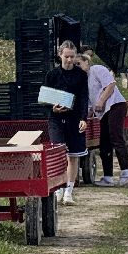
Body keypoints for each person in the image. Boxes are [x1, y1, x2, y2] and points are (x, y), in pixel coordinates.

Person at [43, 40, 89, 205]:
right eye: (66, 57)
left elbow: (84, 98)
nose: (69, 60)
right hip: (56, 119)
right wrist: (52, 109)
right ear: (60, 55)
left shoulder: (81, 75)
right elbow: (45, 98)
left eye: (72, 57)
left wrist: (84, 118)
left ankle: (69, 190)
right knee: (58, 153)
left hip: (75, 118)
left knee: (73, 155)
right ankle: (59, 188)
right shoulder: (52, 75)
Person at [82, 49, 128, 186]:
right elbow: (89, 102)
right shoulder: (83, 81)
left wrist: (100, 101)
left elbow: (110, 85)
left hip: (115, 105)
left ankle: (126, 171)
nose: (78, 67)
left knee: (115, 136)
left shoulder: (97, 69)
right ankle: (108, 176)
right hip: (103, 112)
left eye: (79, 64)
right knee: (104, 142)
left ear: (86, 62)